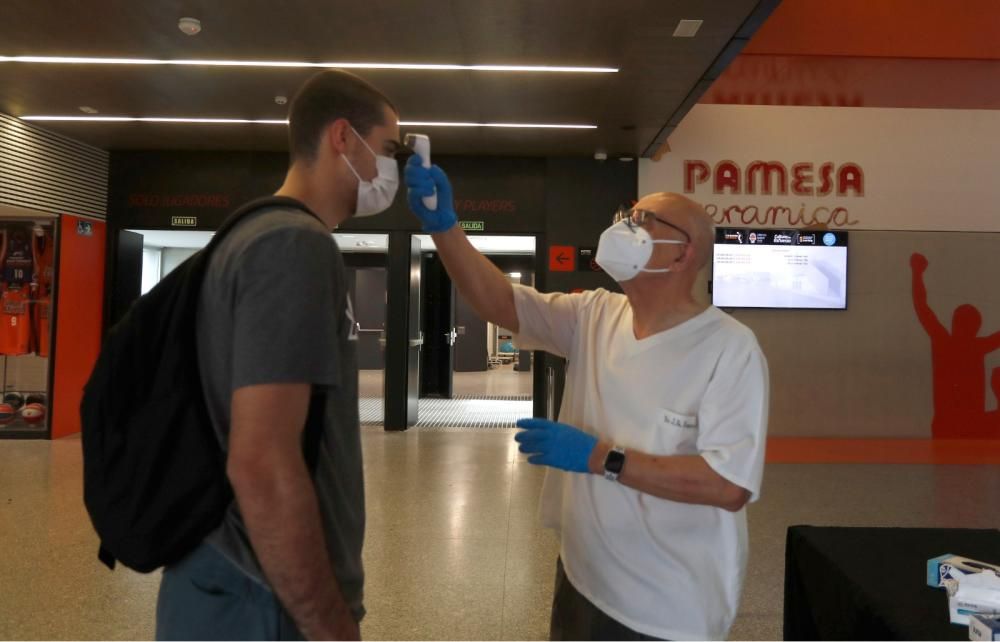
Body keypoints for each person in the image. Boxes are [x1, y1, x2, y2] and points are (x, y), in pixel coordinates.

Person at [405, 159, 769, 640]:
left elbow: (729, 485)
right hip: (582, 577)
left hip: (667, 606)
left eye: (642, 221)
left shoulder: (728, 347)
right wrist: (445, 229)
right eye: (626, 215)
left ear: (683, 254)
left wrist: (602, 458)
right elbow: (502, 302)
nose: (624, 227)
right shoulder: (596, 314)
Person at [155, 70, 402, 641]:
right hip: (261, 598)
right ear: (343, 137)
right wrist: (329, 624)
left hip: (229, 581)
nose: (391, 171)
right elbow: (262, 462)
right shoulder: (295, 246)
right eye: (388, 151)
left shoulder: (249, 235)